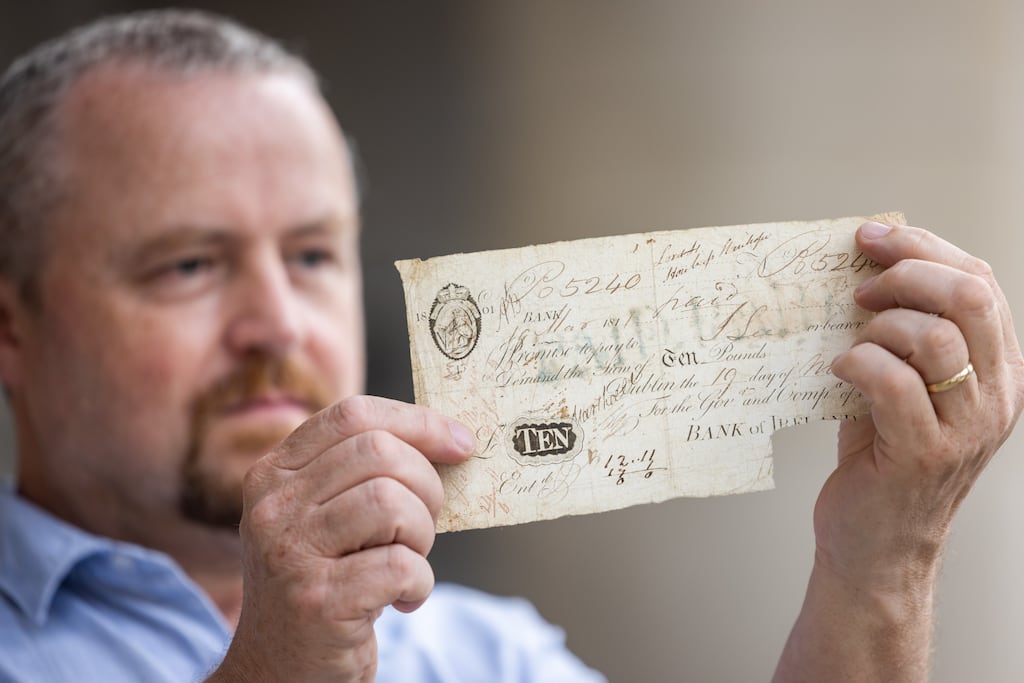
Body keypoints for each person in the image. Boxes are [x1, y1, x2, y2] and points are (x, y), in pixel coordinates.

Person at [0, 10, 1019, 683]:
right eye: (186, 265)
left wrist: (882, 560)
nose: (278, 320)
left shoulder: (490, 651)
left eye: (312, 254)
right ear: (13, 326)